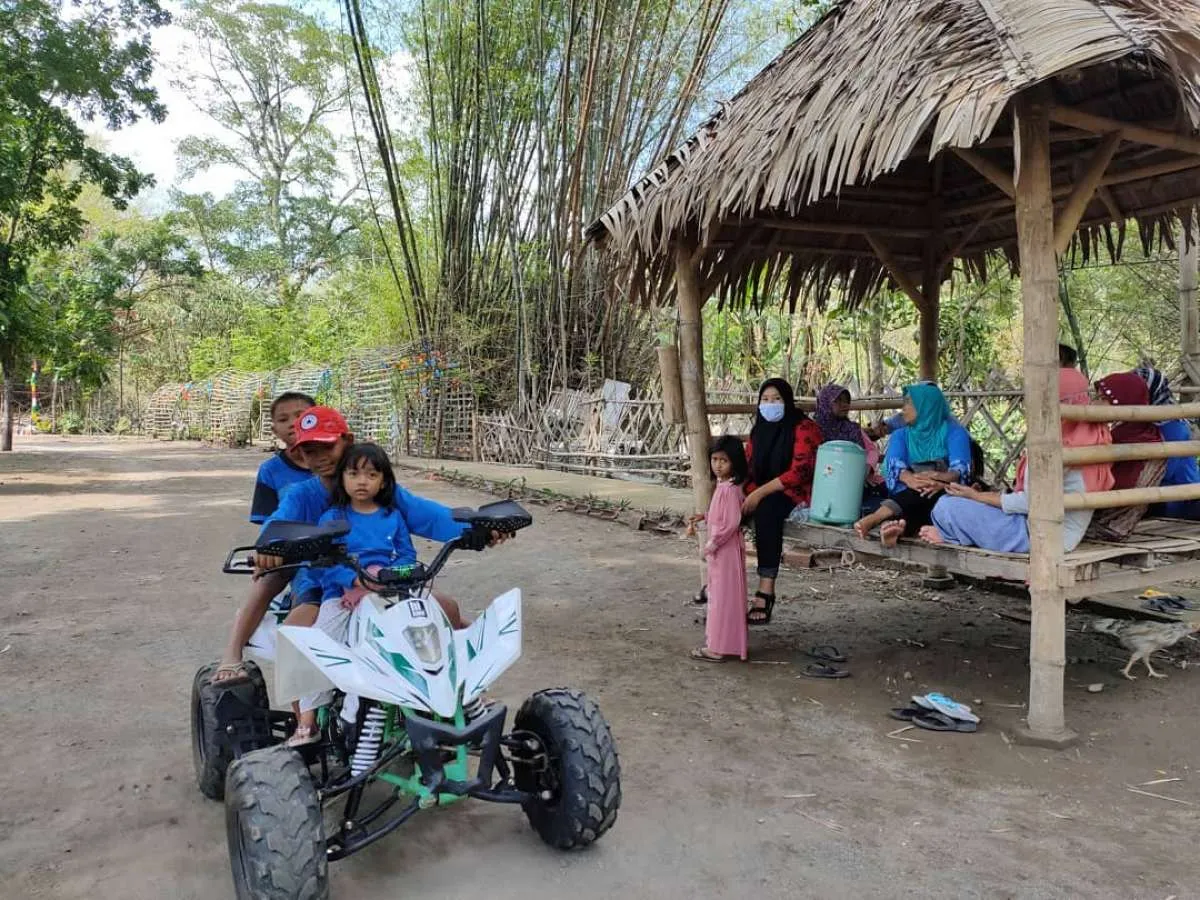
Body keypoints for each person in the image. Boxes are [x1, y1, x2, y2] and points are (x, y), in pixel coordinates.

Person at [213, 407, 504, 685]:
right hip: (326, 583)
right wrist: (269, 547)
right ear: (298, 453)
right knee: (295, 635)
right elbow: (278, 523)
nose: (320, 457)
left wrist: (476, 530)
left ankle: (459, 693)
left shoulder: (384, 493)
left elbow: (428, 515)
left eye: (327, 446)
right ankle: (301, 715)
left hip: (385, 580)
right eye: (309, 451)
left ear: (347, 442)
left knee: (446, 610)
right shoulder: (302, 495)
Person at [285, 442, 466, 746]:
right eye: (354, 473)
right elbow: (321, 564)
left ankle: (450, 699)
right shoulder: (332, 518)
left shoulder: (392, 516)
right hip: (341, 597)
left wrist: (392, 575)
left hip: (390, 591)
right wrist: (355, 581)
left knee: (427, 629)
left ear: (384, 481)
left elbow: (407, 554)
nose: (362, 481)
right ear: (342, 478)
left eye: (371, 474)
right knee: (318, 645)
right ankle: (308, 718)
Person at [921, 368, 1113, 552]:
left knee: (947, 506)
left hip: (1037, 534)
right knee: (955, 502)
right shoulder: (1094, 437)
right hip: (1061, 534)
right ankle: (960, 532)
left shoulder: (1055, 448)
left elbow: (1030, 503)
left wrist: (976, 496)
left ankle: (954, 536)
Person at [742, 378, 823, 625]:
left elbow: (801, 472)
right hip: (764, 488)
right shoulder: (759, 430)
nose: (770, 405)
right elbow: (748, 467)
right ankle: (719, 583)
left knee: (767, 511)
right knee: (728, 510)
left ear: (787, 401)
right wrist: (744, 492)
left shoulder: (804, 428)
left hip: (797, 491)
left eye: (776, 399)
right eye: (765, 400)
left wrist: (758, 494)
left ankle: (766, 589)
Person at [852, 383, 971, 547]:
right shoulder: (901, 434)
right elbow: (894, 465)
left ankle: (878, 519)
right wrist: (910, 479)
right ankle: (899, 528)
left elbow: (960, 469)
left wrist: (940, 479)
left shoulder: (955, 432)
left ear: (925, 406)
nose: (903, 408)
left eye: (908, 403)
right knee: (919, 494)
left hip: (945, 490)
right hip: (909, 490)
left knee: (927, 494)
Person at [689, 436, 749, 662]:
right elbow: (721, 515)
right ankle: (725, 644)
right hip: (723, 550)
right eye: (714, 459)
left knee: (723, 598)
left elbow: (731, 522)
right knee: (722, 596)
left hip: (725, 549)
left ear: (734, 462)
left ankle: (718, 647)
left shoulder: (730, 489)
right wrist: (705, 516)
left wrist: (712, 544)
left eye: (723, 460)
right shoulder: (724, 487)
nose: (717, 465)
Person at [1087, 372, 1166, 540]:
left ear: (1121, 401)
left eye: (1102, 398)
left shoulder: (1125, 437)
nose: (1093, 403)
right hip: (1121, 523)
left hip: (1106, 521)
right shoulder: (1145, 432)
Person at [1135, 366, 1200, 518]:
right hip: (1162, 492)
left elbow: (1165, 470)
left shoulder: (1171, 425)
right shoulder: (1144, 421)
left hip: (1182, 497)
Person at [249, 391, 315, 524]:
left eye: (301, 416)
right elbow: (268, 523)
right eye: (283, 419)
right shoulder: (270, 470)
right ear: (275, 431)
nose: (293, 423)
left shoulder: (340, 462)